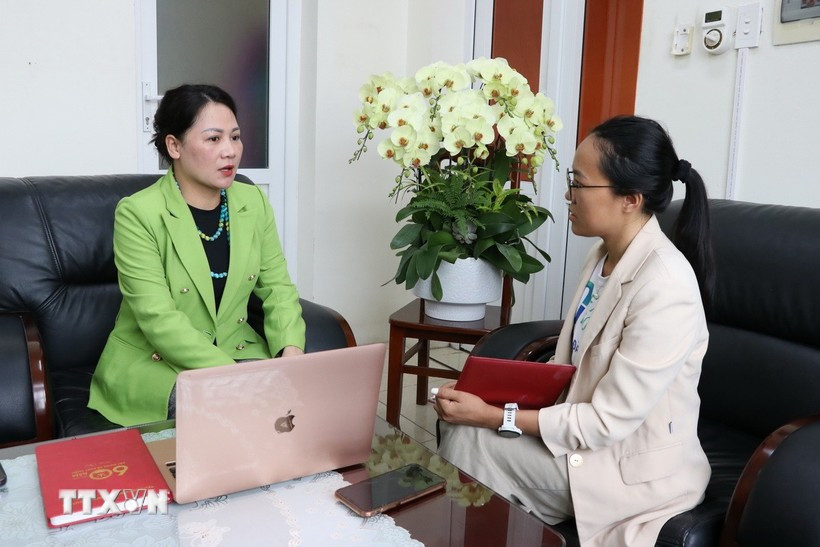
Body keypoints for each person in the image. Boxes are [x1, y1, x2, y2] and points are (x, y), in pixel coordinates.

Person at [434, 115, 714, 546]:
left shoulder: (666, 288)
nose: (568, 195)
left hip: (626, 468)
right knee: (461, 425)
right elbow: (571, 367)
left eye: (580, 183)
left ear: (630, 199)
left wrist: (494, 415)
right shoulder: (603, 255)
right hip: (581, 439)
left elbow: (606, 422)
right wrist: (492, 395)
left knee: (474, 441)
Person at [89, 84, 305, 427]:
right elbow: (158, 319)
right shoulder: (138, 213)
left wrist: (291, 352)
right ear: (174, 145)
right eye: (213, 139)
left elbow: (278, 288)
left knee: (299, 408)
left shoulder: (253, 202)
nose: (230, 151)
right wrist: (234, 379)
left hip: (236, 352)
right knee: (228, 414)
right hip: (159, 363)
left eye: (235, 137)